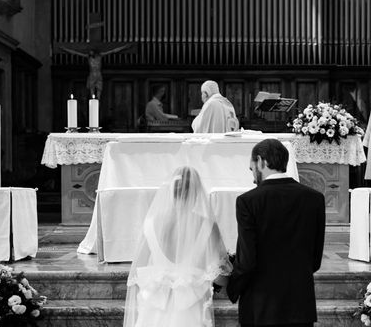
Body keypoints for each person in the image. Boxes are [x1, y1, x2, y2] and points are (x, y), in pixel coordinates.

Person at [227, 139, 326, 327]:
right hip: (300, 304)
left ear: (261, 161)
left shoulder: (248, 201)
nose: (253, 177)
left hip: (261, 305)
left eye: (252, 169)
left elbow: (247, 261)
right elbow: (315, 259)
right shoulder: (314, 198)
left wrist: (232, 287)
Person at [123, 166, 232, 327]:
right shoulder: (207, 226)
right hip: (190, 308)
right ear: (197, 194)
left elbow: (138, 271)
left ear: (170, 192)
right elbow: (221, 278)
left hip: (154, 306)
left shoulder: (151, 223)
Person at [60, 44, 131, 99]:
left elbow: (113, 51)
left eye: (91, 52)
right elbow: (75, 53)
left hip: (98, 74)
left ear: (94, 52)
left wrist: (124, 47)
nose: (90, 53)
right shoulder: (88, 57)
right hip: (92, 75)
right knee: (92, 93)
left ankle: (98, 103)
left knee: (99, 92)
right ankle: (93, 102)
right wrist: (65, 49)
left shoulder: (100, 56)